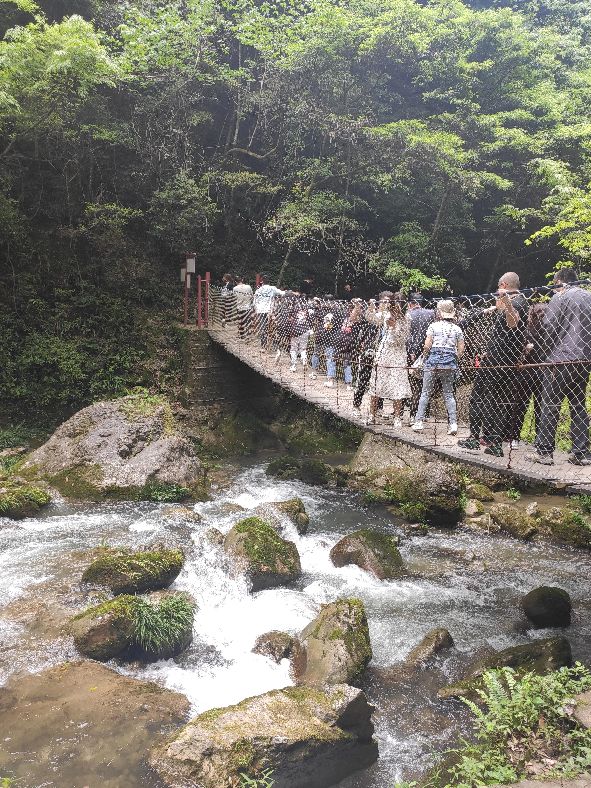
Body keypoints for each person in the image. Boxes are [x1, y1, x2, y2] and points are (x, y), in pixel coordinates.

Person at [458, 272, 528, 457]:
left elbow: (513, 323)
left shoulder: (517, 302)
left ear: (503, 285)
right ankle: (493, 441)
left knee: (478, 396)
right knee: (498, 401)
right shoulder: (519, 300)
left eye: (499, 289)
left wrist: (506, 303)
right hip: (505, 358)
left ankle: (474, 438)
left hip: (498, 360)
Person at [527, 269, 591, 466]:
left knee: (550, 404)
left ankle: (544, 452)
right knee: (578, 404)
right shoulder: (589, 297)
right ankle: (582, 453)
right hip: (584, 359)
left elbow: (548, 327)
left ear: (560, 282)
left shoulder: (560, 297)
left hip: (560, 359)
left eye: (554, 284)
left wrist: (544, 354)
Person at [411, 300, 464, 435]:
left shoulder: (433, 326)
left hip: (433, 363)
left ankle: (419, 421)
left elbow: (427, 345)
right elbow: (461, 350)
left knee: (425, 393)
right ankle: (453, 424)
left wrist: (424, 356)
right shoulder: (457, 329)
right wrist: (453, 359)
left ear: (440, 312)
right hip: (449, 364)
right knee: (448, 394)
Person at [367, 293, 411, 426]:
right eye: (395, 301)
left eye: (400, 302)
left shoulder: (406, 318)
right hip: (384, 351)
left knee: (398, 383)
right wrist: (371, 306)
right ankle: (372, 415)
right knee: (377, 382)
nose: (397, 304)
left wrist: (393, 327)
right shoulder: (386, 314)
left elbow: (403, 338)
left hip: (398, 354)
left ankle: (397, 417)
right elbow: (371, 318)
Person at [507, 303, 547, 446]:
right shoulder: (527, 331)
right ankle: (516, 437)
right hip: (531, 372)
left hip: (535, 372)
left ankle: (534, 440)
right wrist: (525, 350)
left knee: (533, 407)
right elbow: (518, 352)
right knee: (524, 406)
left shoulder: (544, 331)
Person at [406, 293, 435, 422]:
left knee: (413, 384)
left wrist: (411, 351)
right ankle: (425, 413)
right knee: (426, 383)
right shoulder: (431, 313)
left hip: (411, 353)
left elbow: (408, 336)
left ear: (410, 303)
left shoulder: (409, 315)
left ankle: (412, 414)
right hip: (427, 351)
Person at [253, 277, 286, 348]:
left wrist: (255, 310)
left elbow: (254, 301)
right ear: (269, 282)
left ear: (262, 282)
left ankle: (264, 345)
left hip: (260, 311)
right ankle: (273, 344)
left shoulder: (258, 290)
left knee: (263, 328)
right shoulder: (272, 288)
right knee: (272, 327)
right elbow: (282, 293)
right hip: (269, 311)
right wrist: (291, 292)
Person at [312, 308, 341, 387]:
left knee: (329, 359)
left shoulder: (327, 315)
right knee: (330, 359)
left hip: (327, 340)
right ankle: (330, 379)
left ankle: (329, 380)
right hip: (333, 340)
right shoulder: (337, 316)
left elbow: (327, 328)